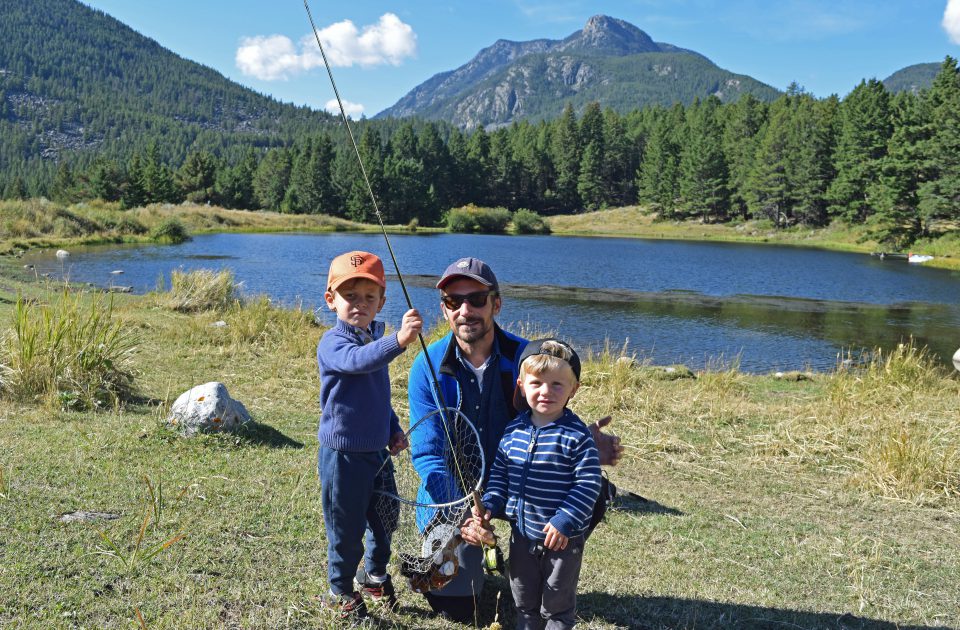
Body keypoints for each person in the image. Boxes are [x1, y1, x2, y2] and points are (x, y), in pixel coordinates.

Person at [407, 257, 624, 622]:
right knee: (458, 609)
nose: (465, 310)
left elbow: (549, 416)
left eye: (476, 299)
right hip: (456, 495)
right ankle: (468, 556)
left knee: (595, 492)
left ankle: (545, 564)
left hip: (517, 484)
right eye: (452, 301)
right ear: (443, 308)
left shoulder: (528, 360)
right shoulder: (425, 367)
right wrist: (460, 515)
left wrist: (581, 446)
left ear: (496, 303)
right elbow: (428, 456)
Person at [316, 250, 423, 621]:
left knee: (385, 518)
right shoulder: (334, 343)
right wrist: (399, 340)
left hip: (377, 453)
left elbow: (377, 396)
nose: (359, 304)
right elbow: (357, 363)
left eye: (369, 297)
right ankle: (339, 590)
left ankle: (374, 577)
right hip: (343, 457)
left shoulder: (374, 337)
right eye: (350, 296)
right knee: (346, 530)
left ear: (381, 302)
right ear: (331, 301)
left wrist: (391, 428)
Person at [472, 338, 601, 630]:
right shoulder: (513, 429)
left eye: (557, 384)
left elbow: (588, 483)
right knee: (523, 596)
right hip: (522, 535)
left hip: (562, 541)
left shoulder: (577, 436)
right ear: (521, 385)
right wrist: (490, 504)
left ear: (574, 389)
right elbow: (500, 476)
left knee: (556, 603)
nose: (546, 392)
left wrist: (565, 521)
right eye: (537, 383)